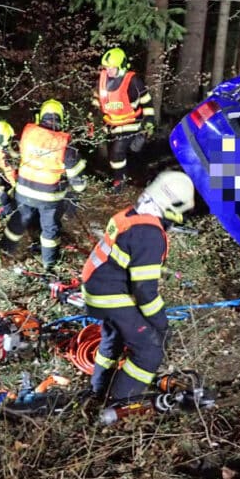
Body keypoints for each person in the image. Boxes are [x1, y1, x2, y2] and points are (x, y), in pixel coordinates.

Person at [81, 170, 195, 402]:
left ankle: (97, 390)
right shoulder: (149, 233)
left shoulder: (131, 216)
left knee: (113, 340)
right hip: (111, 296)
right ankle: (118, 406)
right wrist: (160, 325)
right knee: (150, 350)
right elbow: (145, 291)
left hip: (97, 288)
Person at [1, 100, 87, 271]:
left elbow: (12, 154)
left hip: (23, 192)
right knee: (49, 231)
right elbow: (78, 184)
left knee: (18, 221)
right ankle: (49, 264)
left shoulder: (28, 133)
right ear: (61, 119)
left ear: (41, 116)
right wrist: (78, 187)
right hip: (49, 198)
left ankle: (4, 251)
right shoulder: (65, 144)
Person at [97, 48, 156, 193]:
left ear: (121, 66)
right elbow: (97, 99)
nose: (108, 70)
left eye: (112, 67)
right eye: (106, 67)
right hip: (111, 125)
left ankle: (119, 183)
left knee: (117, 154)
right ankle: (133, 176)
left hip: (132, 123)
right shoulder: (103, 79)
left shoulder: (132, 81)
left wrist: (149, 121)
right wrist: (92, 118)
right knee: (118, 155)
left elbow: (146, 101)